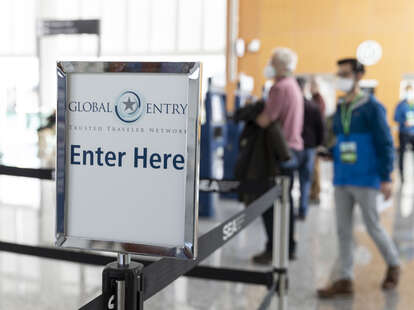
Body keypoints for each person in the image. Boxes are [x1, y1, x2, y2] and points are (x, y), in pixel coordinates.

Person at [318, 58, 400, 298]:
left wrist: (386, 177)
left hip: (366, 178)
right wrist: (330, 154)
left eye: (345, 73)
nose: (341, 77)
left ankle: (393, 264)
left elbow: (385, 144)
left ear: (358, 76)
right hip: (342, 177)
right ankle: (345, 279)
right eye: (339, 73)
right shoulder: (342, 108)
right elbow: (344, 142)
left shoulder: (372, 107)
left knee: (373, 226)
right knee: (343, 230)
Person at [252, 47, 304, 264]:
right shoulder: (293, 86)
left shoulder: (279, 88)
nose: (269, 65)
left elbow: (265, 120)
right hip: (293, 150)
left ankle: (273, 248)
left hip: (278, 154)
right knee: (286, 203)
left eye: (272, 61)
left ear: (281, 66)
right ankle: (288, 247)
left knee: (271, 204)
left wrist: (251, 115)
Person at [296, 77, 324, 220]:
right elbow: (321, 128)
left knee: (288, 180)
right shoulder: (313, 106)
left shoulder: (293, 105)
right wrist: (318, 144)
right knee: (305, 180)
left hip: (295, 147)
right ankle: (303, 210)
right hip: (310, 148)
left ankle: (288, 209)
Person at [309, 76, 326, 203]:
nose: (310, 88)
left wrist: (319, 142)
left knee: (315, 169)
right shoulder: (314, 100)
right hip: (313, 139)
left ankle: (315, 194)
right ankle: (313, 193)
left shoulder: (318, 101)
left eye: (312, 86)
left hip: (314, 140)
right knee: (314, 168)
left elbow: (319, 123)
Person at [394, 84, 414, 183]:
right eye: (408, 91)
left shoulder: (413, 105)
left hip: (413, 132)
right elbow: (395, 117)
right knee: (402, 155)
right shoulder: (400, 105)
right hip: (404, 133)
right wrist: (403, 121)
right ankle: (402, 177)